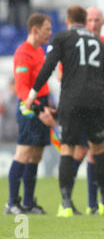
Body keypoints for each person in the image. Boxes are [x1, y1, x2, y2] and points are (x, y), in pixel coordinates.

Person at [25, 5, 104, 218]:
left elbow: (49, 66)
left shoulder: (62, 37)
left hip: (71, 101)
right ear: (84, 20)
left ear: (67, 20)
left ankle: (65, 204)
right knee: (98, 150)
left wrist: (32, 94)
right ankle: (102, 202)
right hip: (96, 102)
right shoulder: (99, 42)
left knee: (67, 149)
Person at [56, 6, 104, 215]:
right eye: (89, 19)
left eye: (97, 20)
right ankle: (67, 200)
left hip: (98, 105)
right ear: (84, 21)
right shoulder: (73, 42)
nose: (93, 23)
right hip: (78, 105)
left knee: (93, 152)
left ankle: (94, 204)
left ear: (103, 22)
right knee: (79, 151)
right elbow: (61, 75)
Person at [5, 12, 54, 214]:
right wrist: (38, 109)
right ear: (35, 30)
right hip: (29, 107)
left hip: (41, 103)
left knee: (37, 154)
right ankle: (12, 203)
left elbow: (41, 83)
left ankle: (27, 202)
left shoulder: (40, 51)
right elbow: (22, 89)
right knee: (23, 152)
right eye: (46, 29)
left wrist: (48, 102)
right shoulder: (22, 54)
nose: (50, 32)